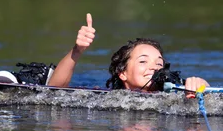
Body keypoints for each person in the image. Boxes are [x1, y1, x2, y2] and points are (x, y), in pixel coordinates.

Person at [47, 13, 208, 95]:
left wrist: (200, 85)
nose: (154, 67)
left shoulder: (175, 95)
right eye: (143, 61)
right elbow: (53, 91)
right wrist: (77, 51)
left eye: (159, 64)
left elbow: (212, 98)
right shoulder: (104, 98)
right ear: (122, 73)